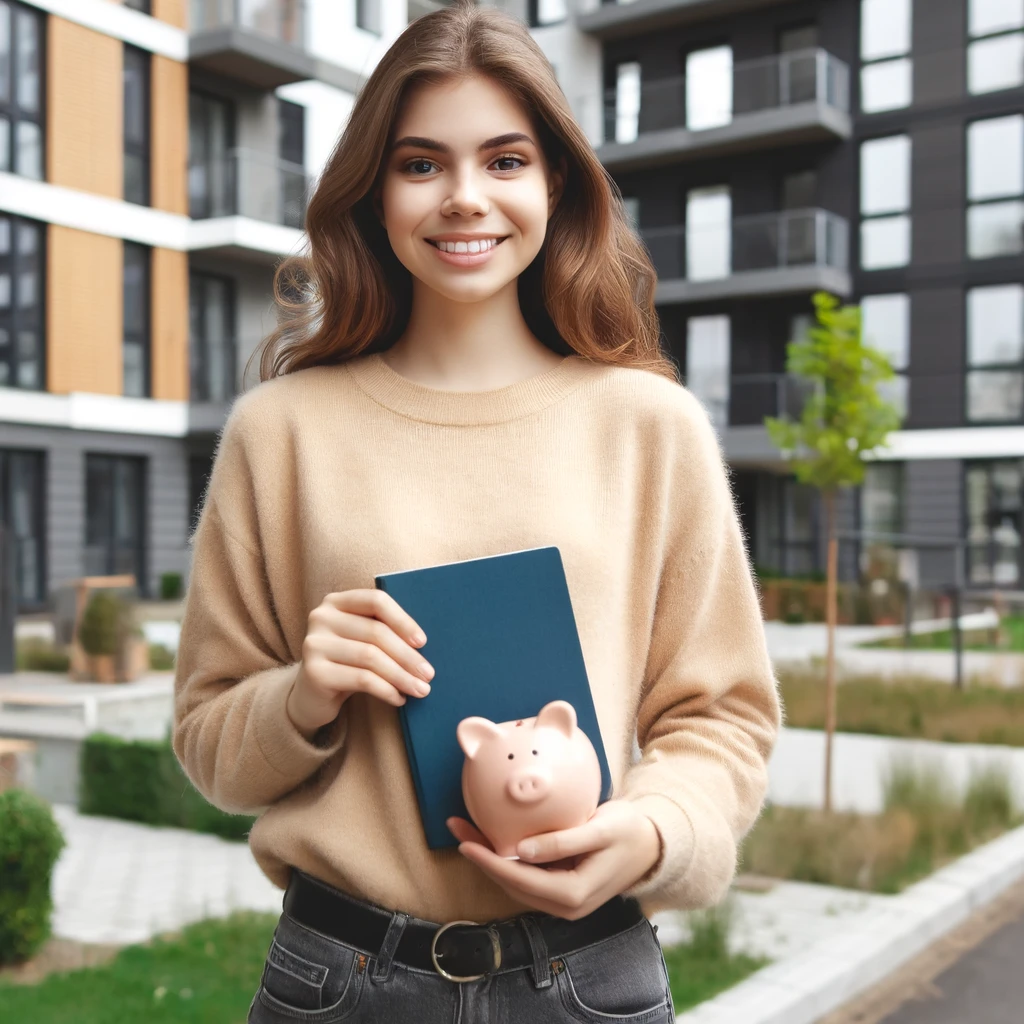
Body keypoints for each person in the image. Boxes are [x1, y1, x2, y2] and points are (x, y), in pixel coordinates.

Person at [172, 3, 780, 1021]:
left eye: (503, 161)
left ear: (554, 185)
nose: (464, 199)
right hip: (343, 980)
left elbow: (721, 716)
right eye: (421, 164)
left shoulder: (649, 425)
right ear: (374, 190)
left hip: (589, 976)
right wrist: (302, 696)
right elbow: (207, 737)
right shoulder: (280, 432)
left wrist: (656, 829)